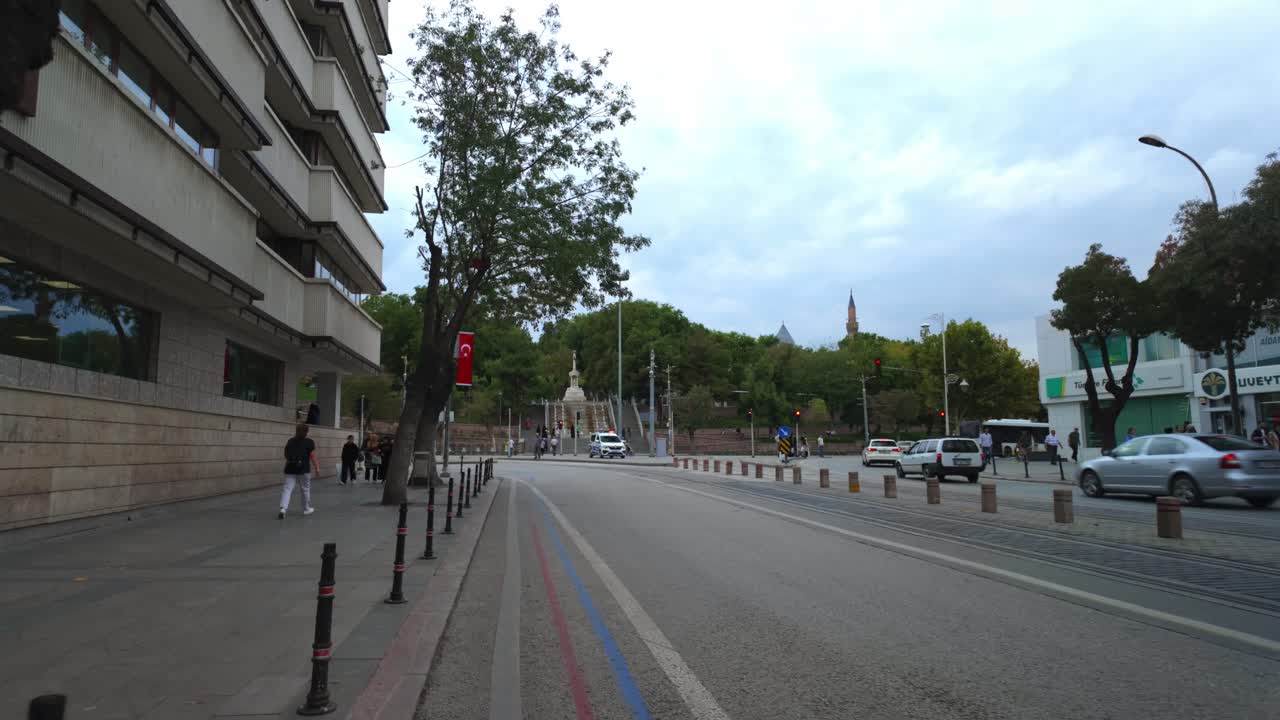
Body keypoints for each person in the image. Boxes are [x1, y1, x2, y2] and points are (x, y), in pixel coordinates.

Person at [280, 423, 320, 519]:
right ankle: (306, 509)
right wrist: (317, 468)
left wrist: (286, 465)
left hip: (291, 468)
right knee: (305, 490)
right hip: (304, 469)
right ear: (306, 432)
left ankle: (283, 508)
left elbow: (287, 455)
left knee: (287, 489)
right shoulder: (309, 442)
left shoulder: (290, 441)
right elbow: (313, 456)